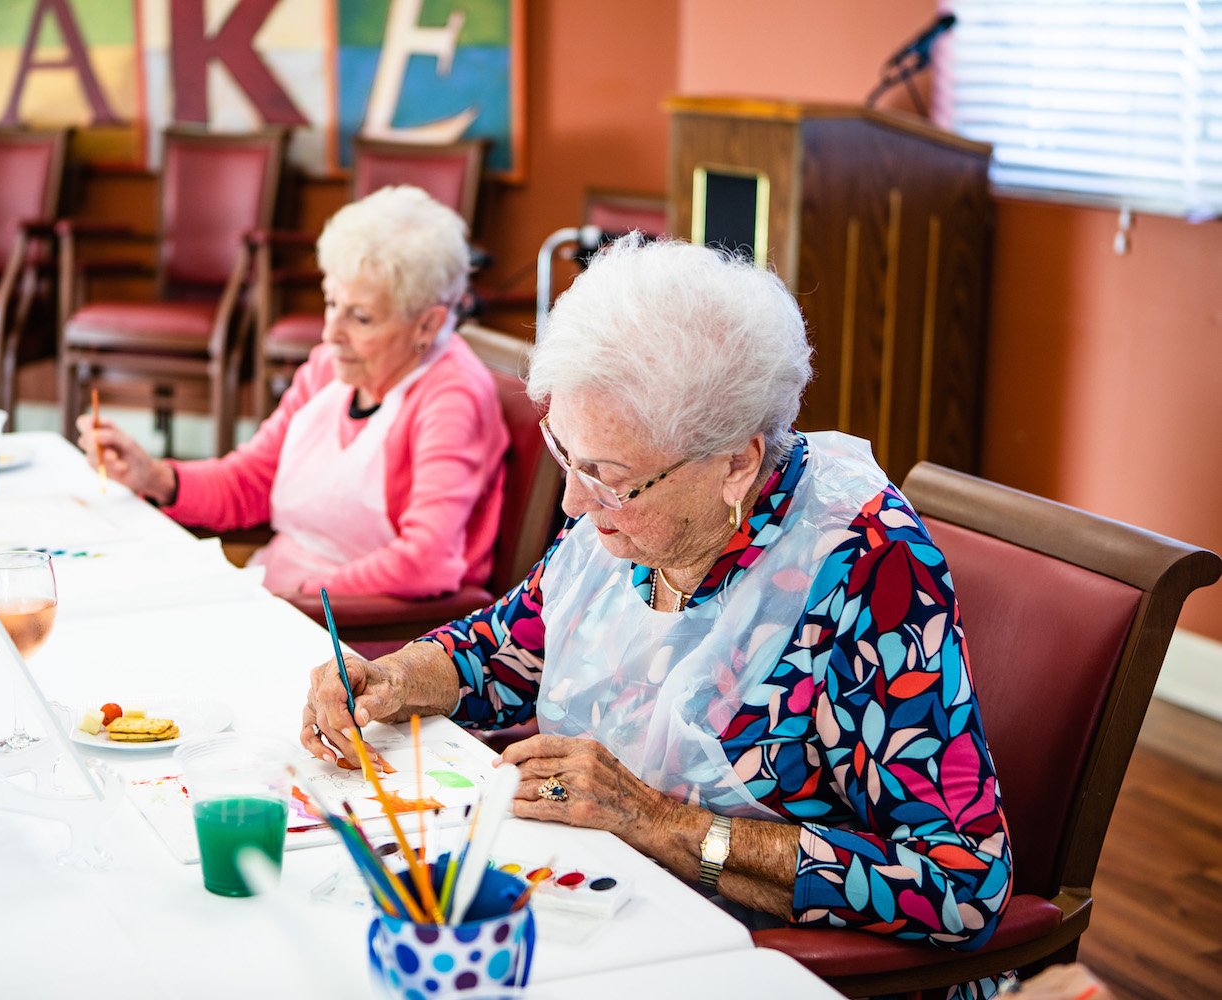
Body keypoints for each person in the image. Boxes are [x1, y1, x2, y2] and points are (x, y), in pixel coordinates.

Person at [301, 237, 1013, 999]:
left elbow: (959, 882)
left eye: (605, 478)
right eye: (564, 455)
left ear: (735, 462)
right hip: (610, 923)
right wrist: (396, 675)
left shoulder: (868, 574)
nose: (573, 504)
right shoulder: (638, 518)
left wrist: (657, 821)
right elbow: (506, 648)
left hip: (758, 967)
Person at [78, 185, 509, 598]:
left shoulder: (451, 394)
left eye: (360, 318)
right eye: (331, 303)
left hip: (363, 637)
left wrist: (298, 598)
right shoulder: (327, 368)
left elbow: (425, 563)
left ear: (428, 325)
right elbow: (249, 483)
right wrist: (153, 476)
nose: (331, 333)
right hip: (283, 595)